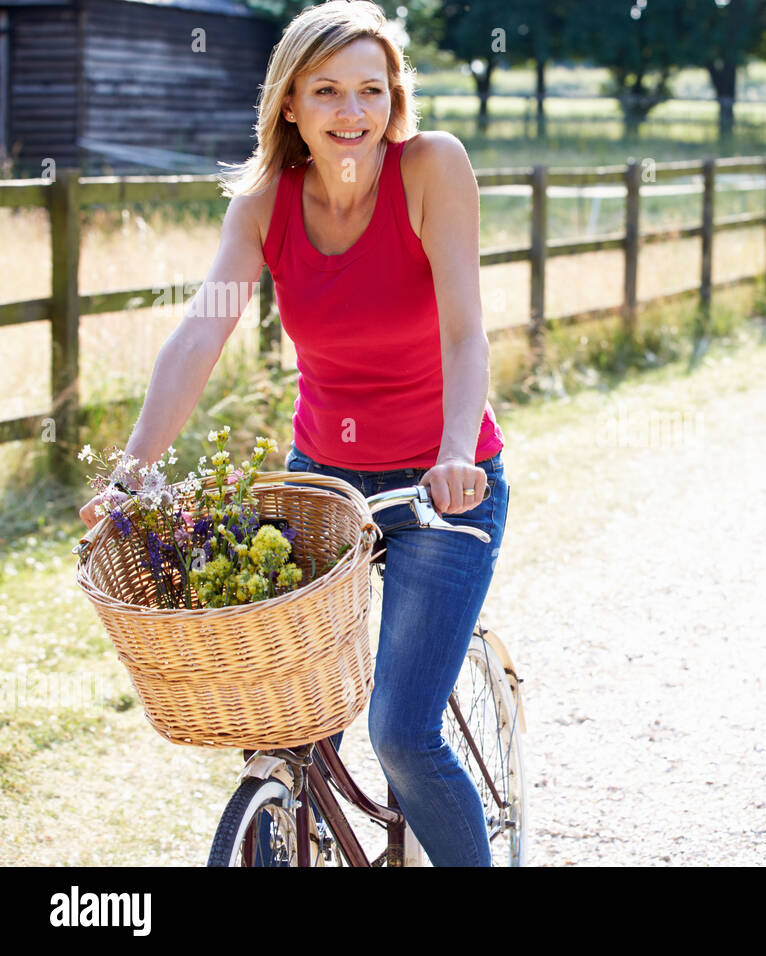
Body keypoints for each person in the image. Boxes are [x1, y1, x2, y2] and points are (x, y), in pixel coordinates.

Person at [78, 0, 509, 865]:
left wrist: (457, 453)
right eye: (328, 93)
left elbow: (466, 331)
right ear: (290, 105)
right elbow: (203, 332)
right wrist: (132, 470)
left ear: (393, 100)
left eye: (371, 92)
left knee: (400, 733)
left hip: (440, 481)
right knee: (284, 714)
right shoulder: (266, 202)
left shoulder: (432, 169)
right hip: (324, 480)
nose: (353, 114)